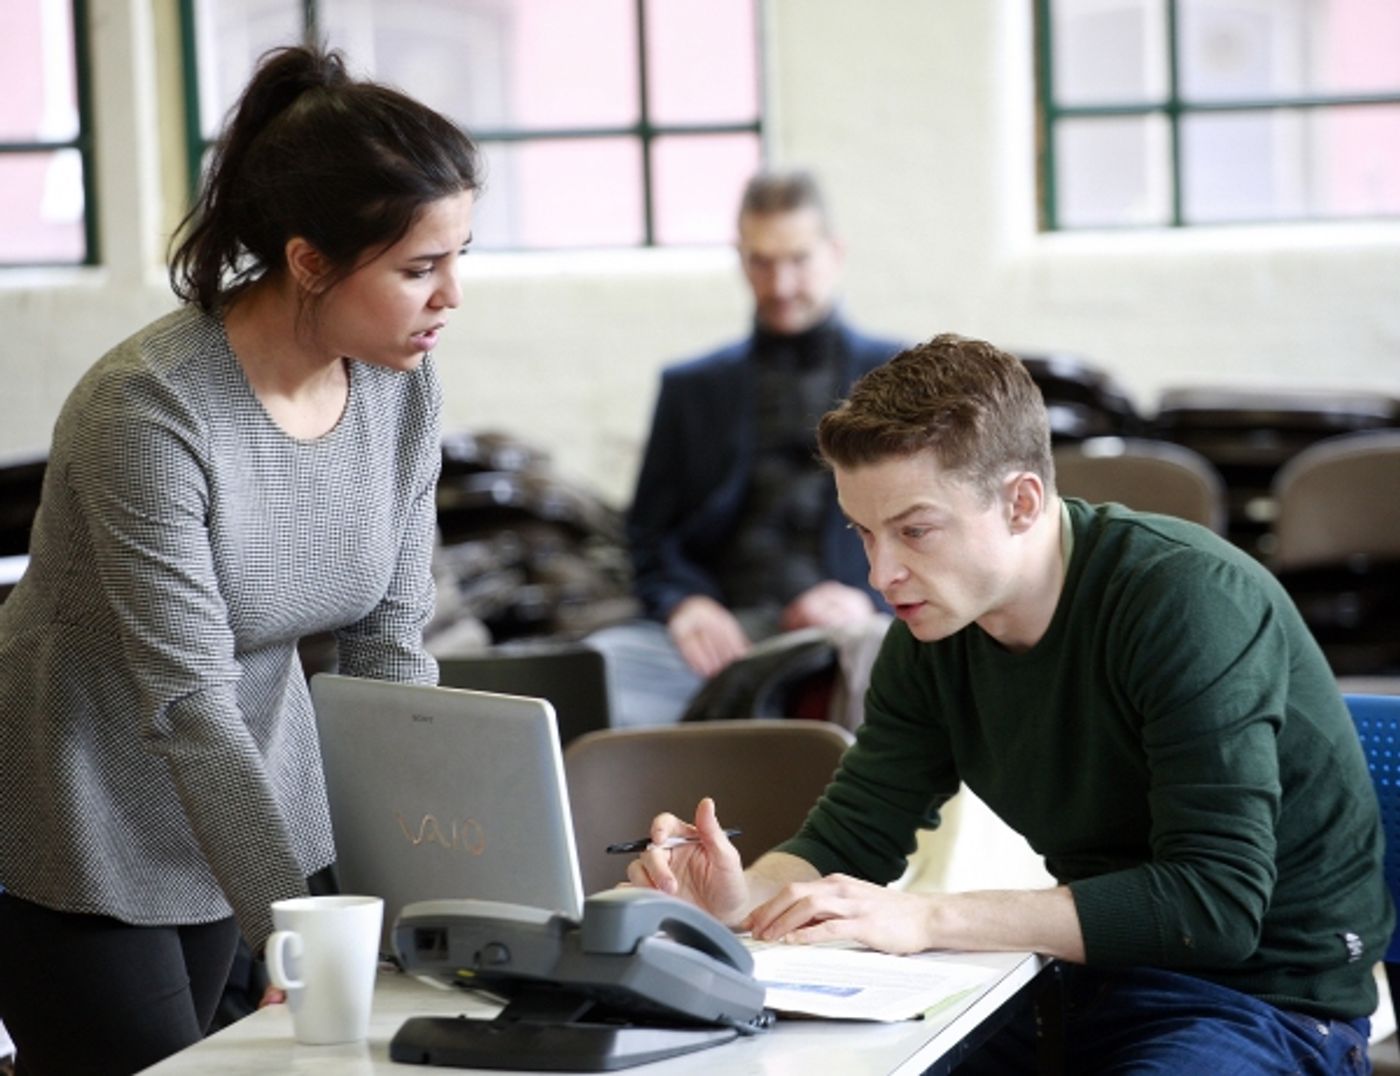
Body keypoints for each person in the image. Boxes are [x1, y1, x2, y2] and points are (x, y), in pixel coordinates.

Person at [629, 335, 1394, 1073]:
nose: (881, 574)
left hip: (1267, 1001)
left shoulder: (1185, 602)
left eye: (915, 531)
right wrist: (745, 896)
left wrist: (929, 917)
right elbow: (854, 832)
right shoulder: (931, 636)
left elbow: (1214, 907)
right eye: (864, 533)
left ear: (1022, 502)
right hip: (1078, 981)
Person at [0, 45, 480, 1075]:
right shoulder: (149, 409)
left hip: (242, 792)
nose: (451, 296)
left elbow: (390, 653)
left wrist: (416, 885)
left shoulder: (400, 388)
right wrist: (296, 929)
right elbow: (184, 699)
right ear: (308, 262)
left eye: (458, 257)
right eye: (417, 268)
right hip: (77, 801)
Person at [590, 170, 902, 727]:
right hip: (723, 634)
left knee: (873, 656)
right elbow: (649, 534)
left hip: (855, 625)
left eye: (798, 260)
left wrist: (869, 598)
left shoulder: (898, 375)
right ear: (739, 258)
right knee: (599, 666)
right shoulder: (691, 388)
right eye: (761, 262)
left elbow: (935, 523)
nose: (780, 284)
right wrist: (685, 604)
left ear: (834, 254)